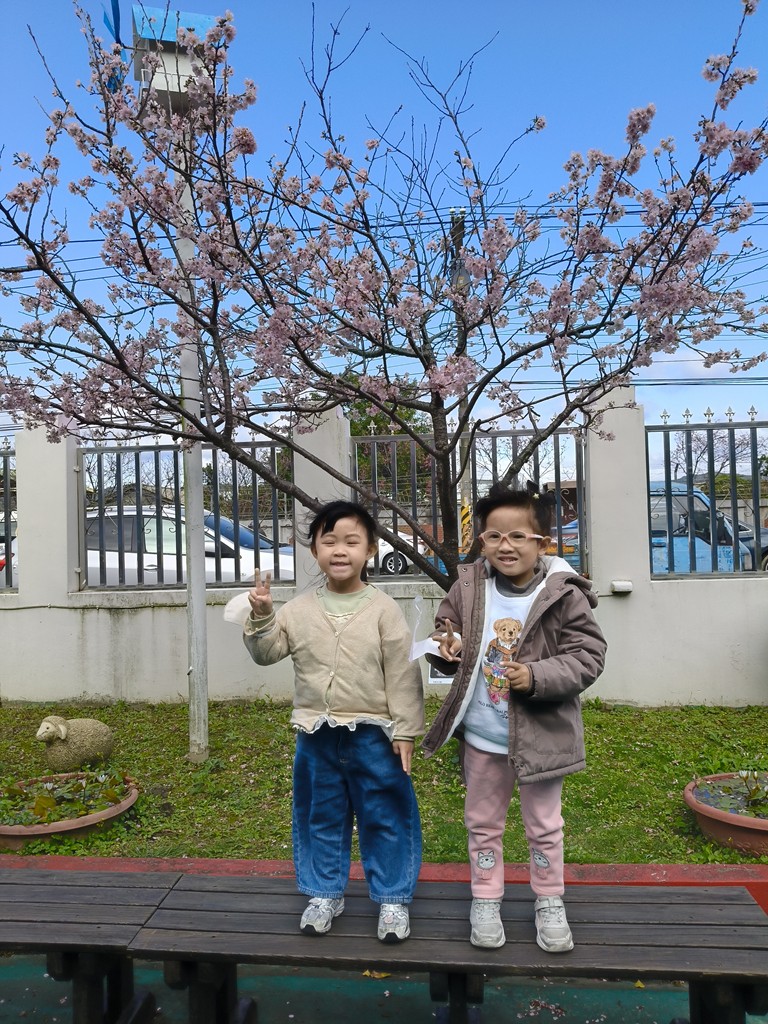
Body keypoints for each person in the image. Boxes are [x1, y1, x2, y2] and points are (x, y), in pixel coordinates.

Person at [421, 486, 606, 952]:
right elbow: (446, 631)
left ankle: (549, 899)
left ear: (544, 543)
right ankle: (486, 898)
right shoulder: (468, 587)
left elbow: (588, 655)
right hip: (484, 738)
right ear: (481, 540)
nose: (506, 546)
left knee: (544, 825)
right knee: (482, 822)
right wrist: (446, 647)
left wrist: (537, 676)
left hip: (542, 737)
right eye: (494, 536)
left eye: (518, 535)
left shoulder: (563, 593)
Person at [243, 499, 424, 943]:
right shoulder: (298, 609)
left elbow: (402, 672)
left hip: (374, 735)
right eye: (329, 542)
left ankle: (393, 897)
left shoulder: (383, 609)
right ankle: (324, 893)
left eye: (351, 542)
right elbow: (266, 653)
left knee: (385, 814)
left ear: (371, 550)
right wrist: (263, 615)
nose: (339, 550)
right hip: (316, 736)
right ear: (314, 551)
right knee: (319, 815)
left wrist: (405, 730)